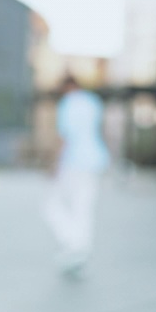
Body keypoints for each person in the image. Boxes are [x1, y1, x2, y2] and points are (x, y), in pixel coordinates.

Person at [43, 76, 109, 276]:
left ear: (67, 87)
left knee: (51, 205)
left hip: (74, 162)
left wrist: (54, 163)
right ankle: (81, 248)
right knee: (84, 207)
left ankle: (74, 244)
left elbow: (65, 136)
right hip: (95, 160)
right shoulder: (93, 102)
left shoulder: (68, 104)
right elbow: (100, 131)